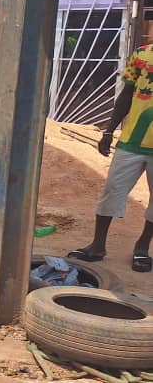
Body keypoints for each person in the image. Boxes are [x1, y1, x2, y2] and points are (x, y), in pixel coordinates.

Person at [68, 44, 153, 272]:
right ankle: (97, 246)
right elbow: (126, 95)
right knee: (112, 189)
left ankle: (142, 246)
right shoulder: (142, 53)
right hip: (132, 141)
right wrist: (108, 131)